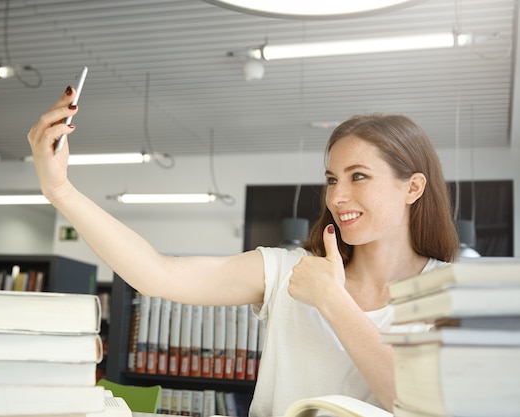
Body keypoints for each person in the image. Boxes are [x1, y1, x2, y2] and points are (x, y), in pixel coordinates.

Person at [27, 86, 459, 416]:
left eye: (358, 176)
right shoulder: (288, 270)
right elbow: (157, 274)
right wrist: (60, 190)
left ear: (413, 187)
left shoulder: (452, 292)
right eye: (331, 179)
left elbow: (418, 402)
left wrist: (332, 300)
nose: (337, 197)